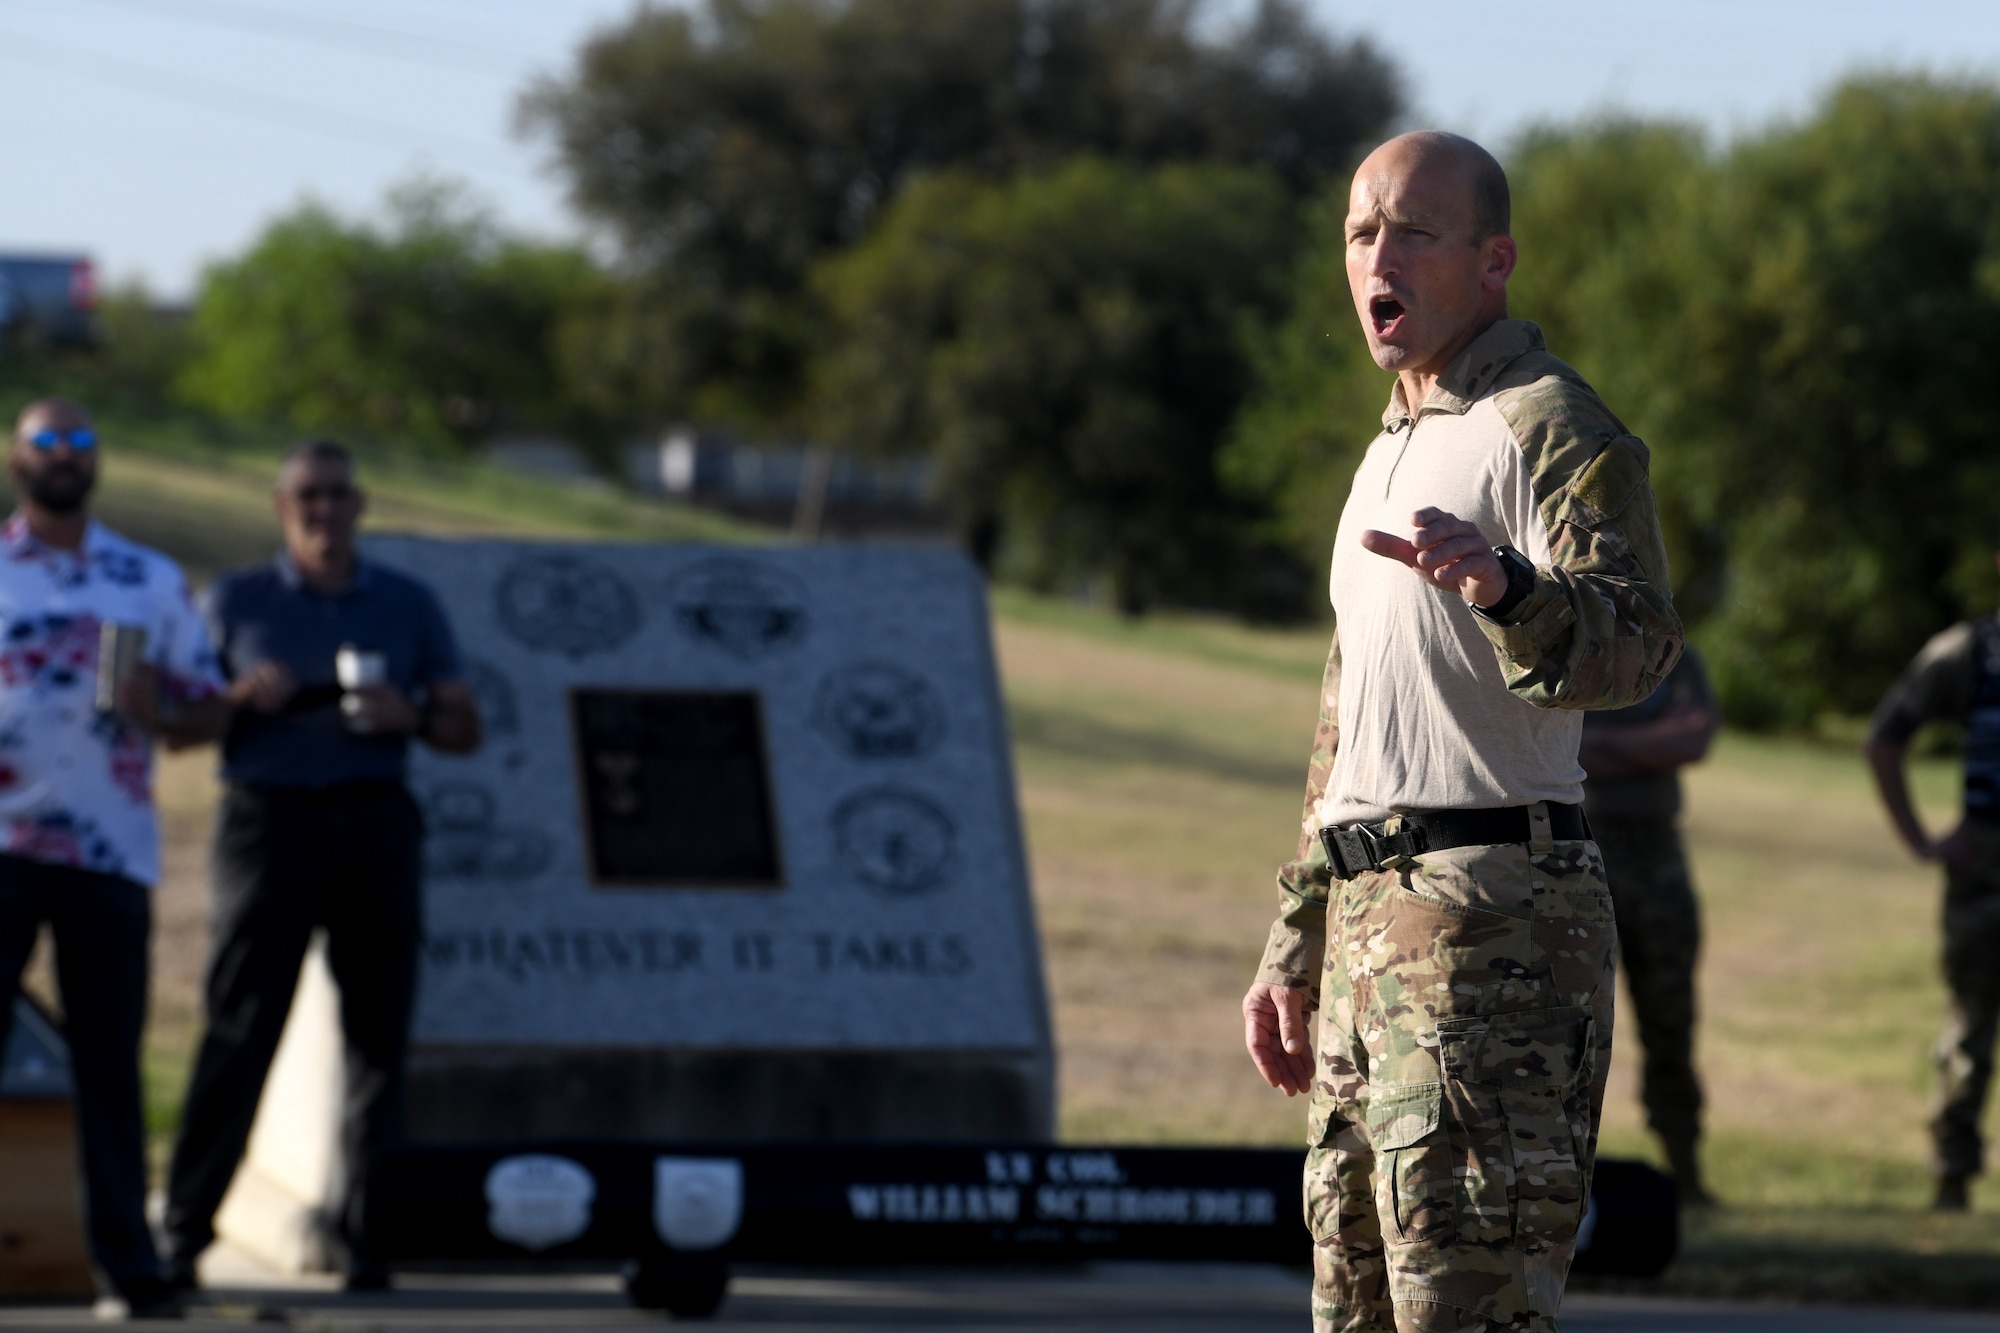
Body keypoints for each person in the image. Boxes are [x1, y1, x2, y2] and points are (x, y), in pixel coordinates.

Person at [1239, 132, 1682, 1333]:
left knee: (1464, 1307)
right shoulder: (1388, 444)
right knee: (1354, 1298)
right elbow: (1350, 712)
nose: (1375, 256)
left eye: (1410, 232)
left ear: (1493, 261)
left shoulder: (1549, 423)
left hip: (1492, 921)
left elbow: (1637, 647)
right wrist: (1297, 930)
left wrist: (1511, 591)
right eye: (1357, 232)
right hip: (1366, 928)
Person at [160, 439, 481, 1289]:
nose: (323, 510)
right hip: (268, 821)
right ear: (280, 507)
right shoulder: (236, 599)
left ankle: (368, 1238)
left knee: (377, 1037)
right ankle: (185, 1232)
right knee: (240, 1027)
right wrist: (234, 702)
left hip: (375, 819)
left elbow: (463, 726)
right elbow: (174, 728)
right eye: (308, 495)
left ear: (360, 504)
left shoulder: (407, 604)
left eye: (338, 494)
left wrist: (405, 715)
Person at [0, 398, 227, 1320]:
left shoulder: (150, 577)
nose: (63, 454)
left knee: (108, 1063)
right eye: (45, 440)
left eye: (79, 440)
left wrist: (159, 705)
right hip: (2, 841)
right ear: (17, 458)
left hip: (108, 848)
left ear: (97, 460)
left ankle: (130, 1268)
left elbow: (207, 713)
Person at [1865, 567, 2000, 1212]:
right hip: (1986, 865)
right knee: (1971, 1028)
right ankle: (1952, 1179)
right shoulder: (1970, 651)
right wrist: (1923, 842)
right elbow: (1885, 740)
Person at [1579, 646, 1720, 1207]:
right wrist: (1648, 747)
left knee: (1671, 1021)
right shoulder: (1562, 641)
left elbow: (1693, 738)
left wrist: (1604, 746)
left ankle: (1685, 1174)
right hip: (1582, 855)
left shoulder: (1671, 651)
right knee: (1575, 1034)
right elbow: (1553, 751)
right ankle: (1565, 1184)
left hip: (1659, 860)